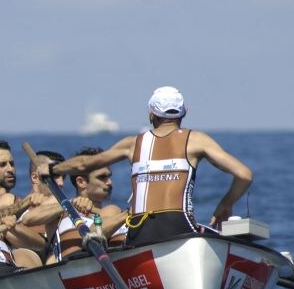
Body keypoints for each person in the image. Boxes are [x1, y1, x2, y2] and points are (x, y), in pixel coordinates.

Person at [40, 86, 253, 245]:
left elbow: (84, 164)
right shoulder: (197, 140)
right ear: (184, 112)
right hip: (179, 227)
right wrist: (225, 204)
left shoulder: (132, 144)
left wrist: (51, 170)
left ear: (151, 114)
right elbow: (244, 175)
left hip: (140, 233)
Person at [48, 147, 129, 262]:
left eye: (109, 176)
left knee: (113, 210)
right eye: (102, 177)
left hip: (112, 265)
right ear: (81, 182)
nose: (109, 182)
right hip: (74, 268)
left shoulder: (113, 212)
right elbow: (29, 219)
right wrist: (70, 204)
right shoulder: (61, 206)